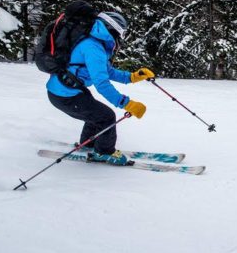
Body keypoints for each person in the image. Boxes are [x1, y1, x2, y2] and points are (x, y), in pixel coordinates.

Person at [46, 11, 155, 165]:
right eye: (121, 33)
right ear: (111, 29)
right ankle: (104, 152)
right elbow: (102, 83)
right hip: (65, 95)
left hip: (66, 91)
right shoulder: (93, 48)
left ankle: (89, 143)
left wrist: (133, 76)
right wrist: (127, 103)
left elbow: (107, 71)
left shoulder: (95, 44)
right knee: (106, 117)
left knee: (95, 113)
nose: (121, 38)